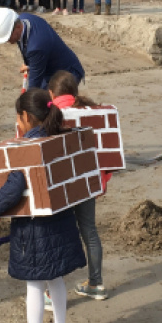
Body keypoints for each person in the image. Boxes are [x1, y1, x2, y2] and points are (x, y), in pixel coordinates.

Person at [0, 89, 85, 323]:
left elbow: (14, 187)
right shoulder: (58, 137)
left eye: (19, 117)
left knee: (35, 285)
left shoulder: (27, 148)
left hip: (35, 232)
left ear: (26, 117)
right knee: (56, 278)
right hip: (61, 222)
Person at [48, 71, 109, 299]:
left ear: (51, 93)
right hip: (87, 183)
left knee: (58, 234)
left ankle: (53, 293)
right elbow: (102, 150)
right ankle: (96, 283)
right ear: (75, 92)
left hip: (61, 185)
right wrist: (102, 181)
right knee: (90, 232)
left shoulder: (51, 115)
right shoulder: (92, 113)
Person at [0, 7, 84, 89]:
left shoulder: (36, 46)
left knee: (49, 106)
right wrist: (30, 64)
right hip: (48, 70)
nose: (7, 41)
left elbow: (34, 86)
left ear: (18, 27)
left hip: (66, 75)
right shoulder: (24, 19)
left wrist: (26, 105)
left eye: (8, 36)